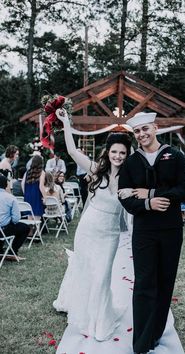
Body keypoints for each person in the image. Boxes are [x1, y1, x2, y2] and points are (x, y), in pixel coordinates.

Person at [53, 108, 132, 343]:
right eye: (114, 151)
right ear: (108, 152)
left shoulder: (130, 177)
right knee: (86, 271)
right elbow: (72, 150)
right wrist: (66, 122)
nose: (118, 156)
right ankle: (84, 312)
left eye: (122, 153)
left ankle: (102, 321)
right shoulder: (96, 171)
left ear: (128, 155)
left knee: (102, 277)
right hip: (88, 229)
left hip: (109, 234)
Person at [118, 111, 185, 354]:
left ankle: (155, 334)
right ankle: (140, 343)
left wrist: (151, 194)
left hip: (171, 229)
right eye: (137, 131)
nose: (141, 134)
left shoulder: (176, 156)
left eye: (145, 129)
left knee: (164, 282)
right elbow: (126, 198)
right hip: (144, 231)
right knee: (144, 284)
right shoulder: (130, 162)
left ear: (155, 128)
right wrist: (146, 204)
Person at [0, 174, 29, 260]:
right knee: (25, 228)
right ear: (6, 185)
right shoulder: (11, 198)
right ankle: (12, 251)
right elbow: (16, 218)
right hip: (3, 230)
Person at [22, 155, 45, 220]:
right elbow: (41, 186)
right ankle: (36, 230)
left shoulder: (27, 172)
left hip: (28, 195)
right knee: (37, 218)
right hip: (36, 196)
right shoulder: (41, 172)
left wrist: (25, 193)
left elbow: (22, 183)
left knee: (30, 217)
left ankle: (31, 230)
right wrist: (45, 197)